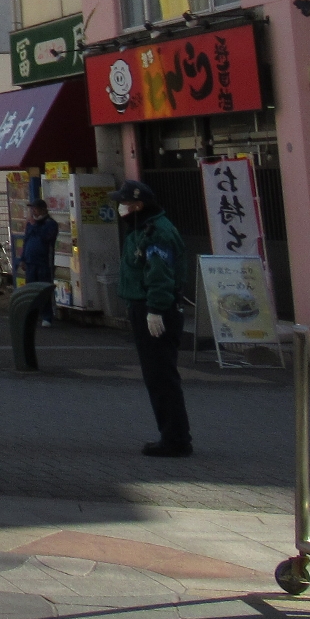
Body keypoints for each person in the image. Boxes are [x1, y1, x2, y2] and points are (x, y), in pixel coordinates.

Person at [118, 179, 193, 457]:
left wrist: (155, 310)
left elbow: (159, 275)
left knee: (161, 376)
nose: (121, 208)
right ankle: (173, 435)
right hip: (147, 307)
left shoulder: (156, 232)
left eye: (124, 203)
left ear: (138, 205)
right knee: (158, 376)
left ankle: (175, 439)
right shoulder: (142, 228)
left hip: (155, 310)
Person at [18, 198, 60, 326]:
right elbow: (26, 241)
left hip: (44, 262)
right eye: (32, 209)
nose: (33, 211)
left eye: (35, 208)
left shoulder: (50, 223)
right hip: (30, 262)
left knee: (44, 289)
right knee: (31, 290)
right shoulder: (31, 224)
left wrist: (34, 225)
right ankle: (32, 315)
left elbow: (46, 238)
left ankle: (47, 316)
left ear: (43, 209)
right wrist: (23, 258)